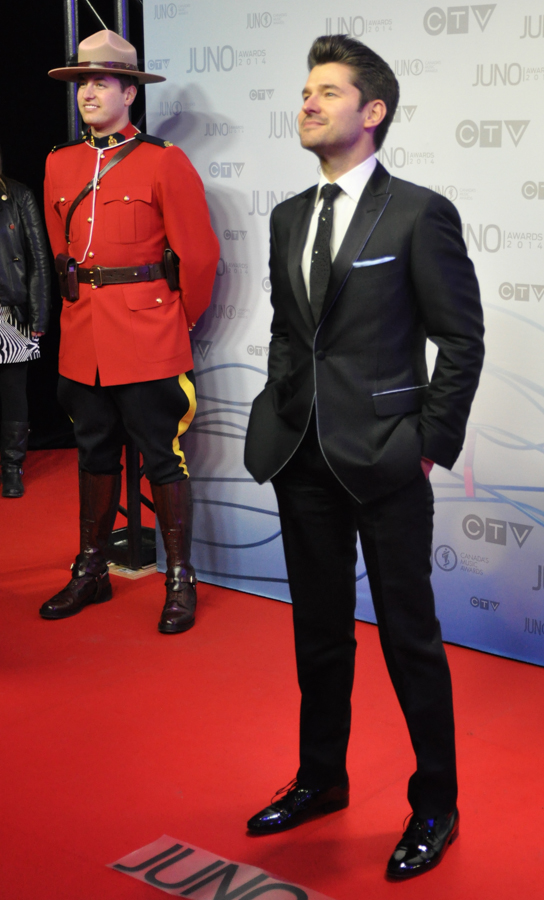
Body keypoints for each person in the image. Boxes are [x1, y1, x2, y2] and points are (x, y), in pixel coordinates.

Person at [244, 35, 484, 880]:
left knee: (410, 638)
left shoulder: (419, 212)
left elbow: (460, 337)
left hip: (387, 459)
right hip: (300, 454)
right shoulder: (285, 216)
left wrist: (427, 447)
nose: (307, 102)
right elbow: (288, 333)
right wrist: (280, 410)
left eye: (328, 91)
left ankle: (435, 804)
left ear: (372, 111)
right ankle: (321, 779)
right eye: (305, 90)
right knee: (318, 635)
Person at [40, 30, 219, 633]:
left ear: (128, 93)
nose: (88, 93)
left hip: (148, 336)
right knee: (92, 452)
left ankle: (178, 577)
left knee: (162, 458)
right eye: (82, 83)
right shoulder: (59, 163)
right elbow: (61, 251)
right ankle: (92, 569)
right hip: (82, 336)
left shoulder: (163, 160)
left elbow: (197, 257)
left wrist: (172, 321)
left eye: (100, 82)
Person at [0, 152, 50, 497]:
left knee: (13, 393)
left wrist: (39, 314)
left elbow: (39, 258)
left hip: (11, 310)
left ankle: (12, 468)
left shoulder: (18, 195)